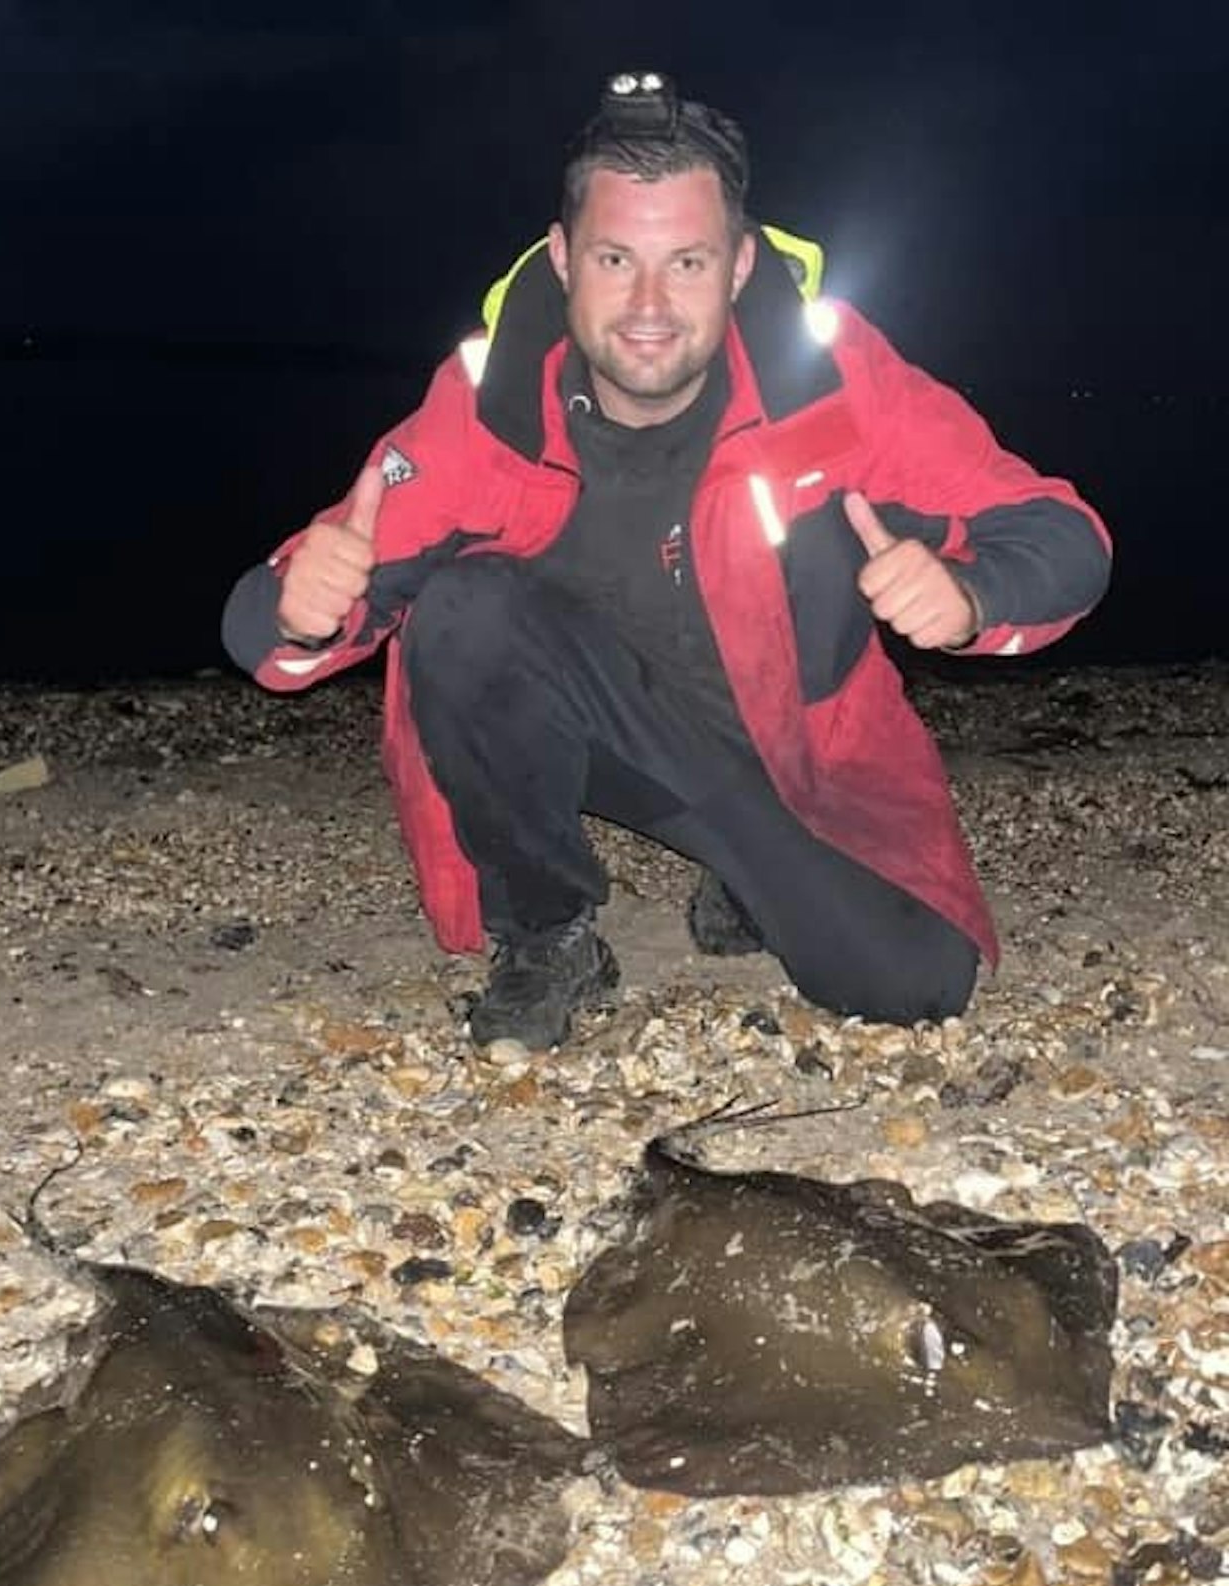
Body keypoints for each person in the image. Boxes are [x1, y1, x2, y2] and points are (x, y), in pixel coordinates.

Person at [223, 71, 1111, 1052]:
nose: (649, 303)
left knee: (917, 984)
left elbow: (1064, 535)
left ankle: (745, 876)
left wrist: (974, 595)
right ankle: (546, 930)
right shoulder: (493, 400)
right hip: (613, 731)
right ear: (564, 259)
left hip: (795, 763)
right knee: (463, 613)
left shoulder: (832, 380)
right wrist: (305, 611)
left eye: (687, 261)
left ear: (738, 264)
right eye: (616, 257)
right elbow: (263, 618)